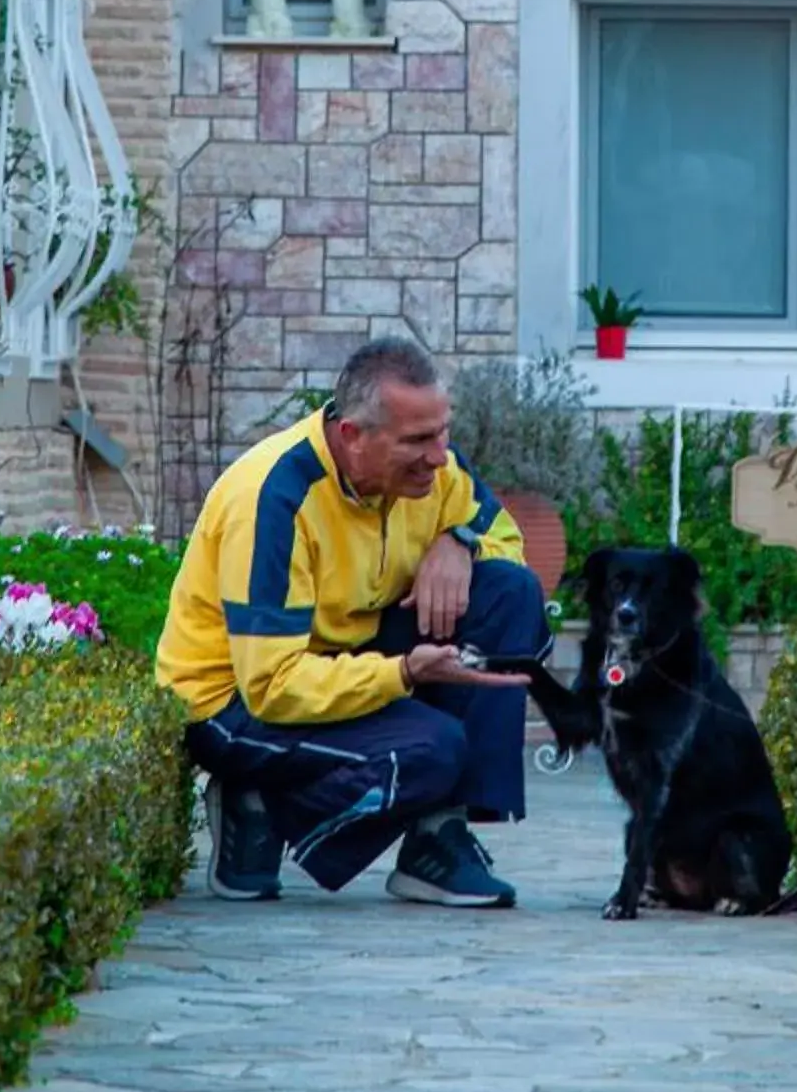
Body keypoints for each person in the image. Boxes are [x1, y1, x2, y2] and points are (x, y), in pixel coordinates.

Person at [155, 337, 548, 907]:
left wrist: (458, 542)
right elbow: (271, 687)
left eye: (443, 432)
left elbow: (506, 541)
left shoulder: (434, 473)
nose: (439, 456)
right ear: (352, 437)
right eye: (417, 440)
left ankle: (439, 838)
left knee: (508, 592)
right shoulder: (274, 498)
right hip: (233, 702)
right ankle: (254, 799)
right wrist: (403, 675)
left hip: (337, 661)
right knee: (434, 750)